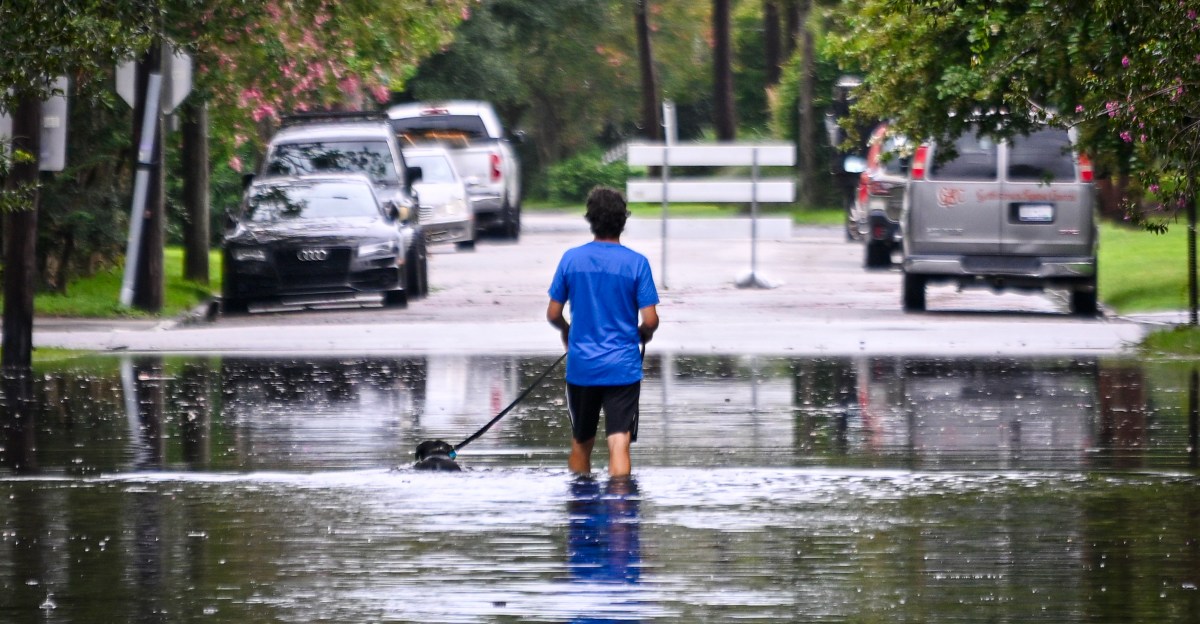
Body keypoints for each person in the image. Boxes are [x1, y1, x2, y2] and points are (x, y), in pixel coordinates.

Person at [547, 186, 659, 477]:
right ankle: (621, 512)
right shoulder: (637, 263)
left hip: (582, 366)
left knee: (581, 442)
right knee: (619, 442)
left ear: (591, 220)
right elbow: (650, 319)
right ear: (623, 220)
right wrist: (642, 334)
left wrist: (567, 332)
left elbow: (553, 313)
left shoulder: (571, 259)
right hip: (622, 366)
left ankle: (580, 506)